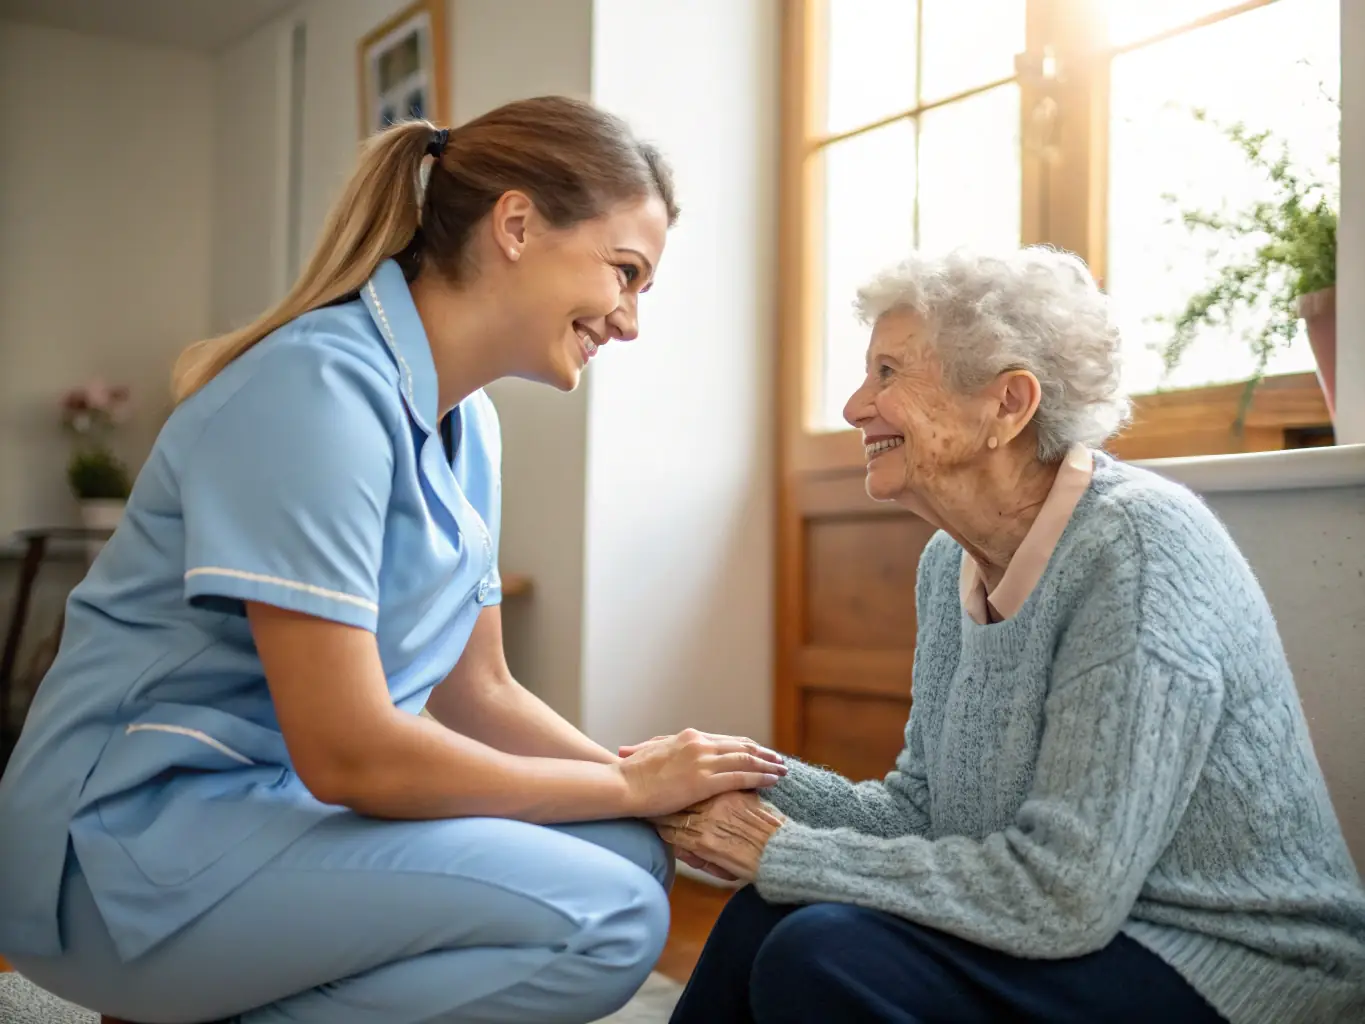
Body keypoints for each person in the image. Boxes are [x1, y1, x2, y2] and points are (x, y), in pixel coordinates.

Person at [0, 95, 788, 1024]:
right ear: (518, 224)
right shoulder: (316, 389)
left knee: (628, 852)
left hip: (269, 814)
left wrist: (654, 804)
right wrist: (624, 779)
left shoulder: (474, 427)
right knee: (605, 915)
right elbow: (350, 755)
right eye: (625, 273)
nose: (627, 322)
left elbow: (479, 693)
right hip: (122, 844)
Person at [647, 247, 1365, 1024]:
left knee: (820, 947)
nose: (856, 405)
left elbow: (1064, 896)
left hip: (1234, 967)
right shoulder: (948, 562)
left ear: (1008, 404)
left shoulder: (1138, 549)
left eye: (888, 373)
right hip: (1092, 933)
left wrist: (777, 849)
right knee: (769, 915)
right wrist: (730, 773)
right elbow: (925, 814)